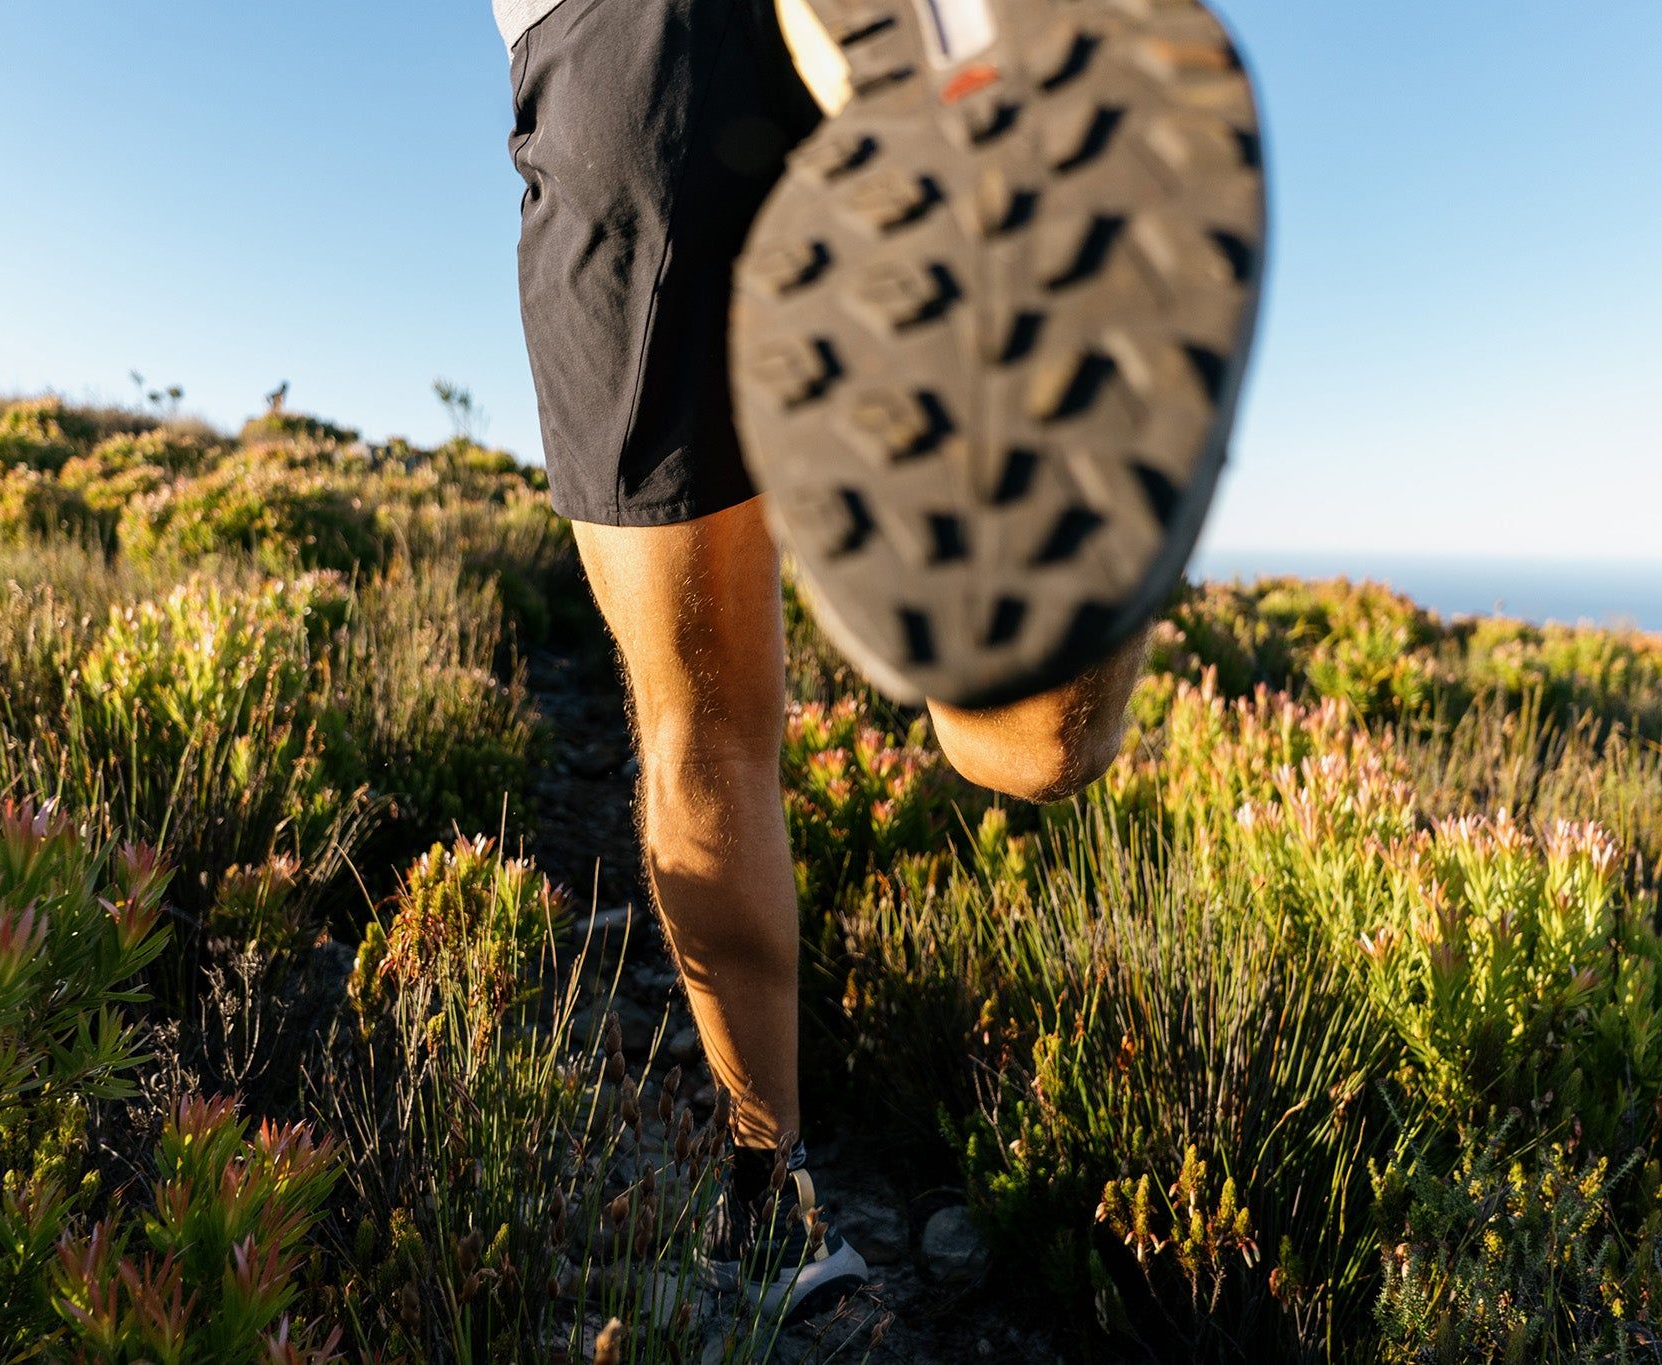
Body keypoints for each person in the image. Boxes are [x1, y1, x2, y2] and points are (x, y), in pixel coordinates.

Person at [498, 0, 1266, 1320]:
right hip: (718, 44)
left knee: (707, 725)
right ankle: (1002, 168)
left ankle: (768, 1191)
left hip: (623, 56)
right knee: (1031, 738)